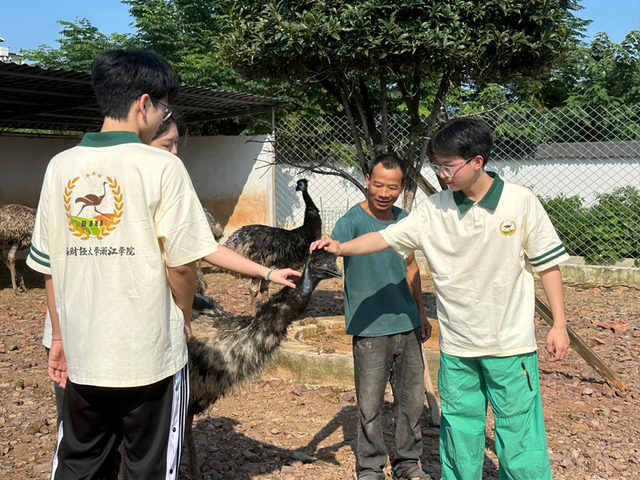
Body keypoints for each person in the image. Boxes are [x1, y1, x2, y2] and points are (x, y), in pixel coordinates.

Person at [27, 49, 294, 480]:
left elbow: (49, 268)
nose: (162, 119)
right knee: (148, 465)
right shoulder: (162, 168)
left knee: (79, 460)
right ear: (144, 103)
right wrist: (183, 316)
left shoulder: (60, 166)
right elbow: (184, 267)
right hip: (148, 356)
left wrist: (59, 336)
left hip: (81, 352)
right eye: (164, 108)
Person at [312, 117, 570, 480]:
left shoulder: (520, 202)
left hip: (510, 346)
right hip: (458, 348)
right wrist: (340, 247)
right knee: (459, 434)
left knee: (520, 434)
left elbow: (548, 266)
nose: (442, 174)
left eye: (449, 166)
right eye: (437, 165)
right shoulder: (434, 209)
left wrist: (559, 323)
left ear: (477, 161)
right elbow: (387, 237)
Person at [328, 153, 432, 480]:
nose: (384, 193)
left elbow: (411, 266)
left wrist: (421, 311)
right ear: (368, 182)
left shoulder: (404, 220)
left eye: (392, 187)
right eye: (378, 184)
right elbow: (335, 247)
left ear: (401, 187)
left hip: (407, 323)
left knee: (411, 403)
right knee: (370, 405)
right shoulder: (351, 221)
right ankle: (371, 467)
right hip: (370, 328)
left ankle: (407, 464)